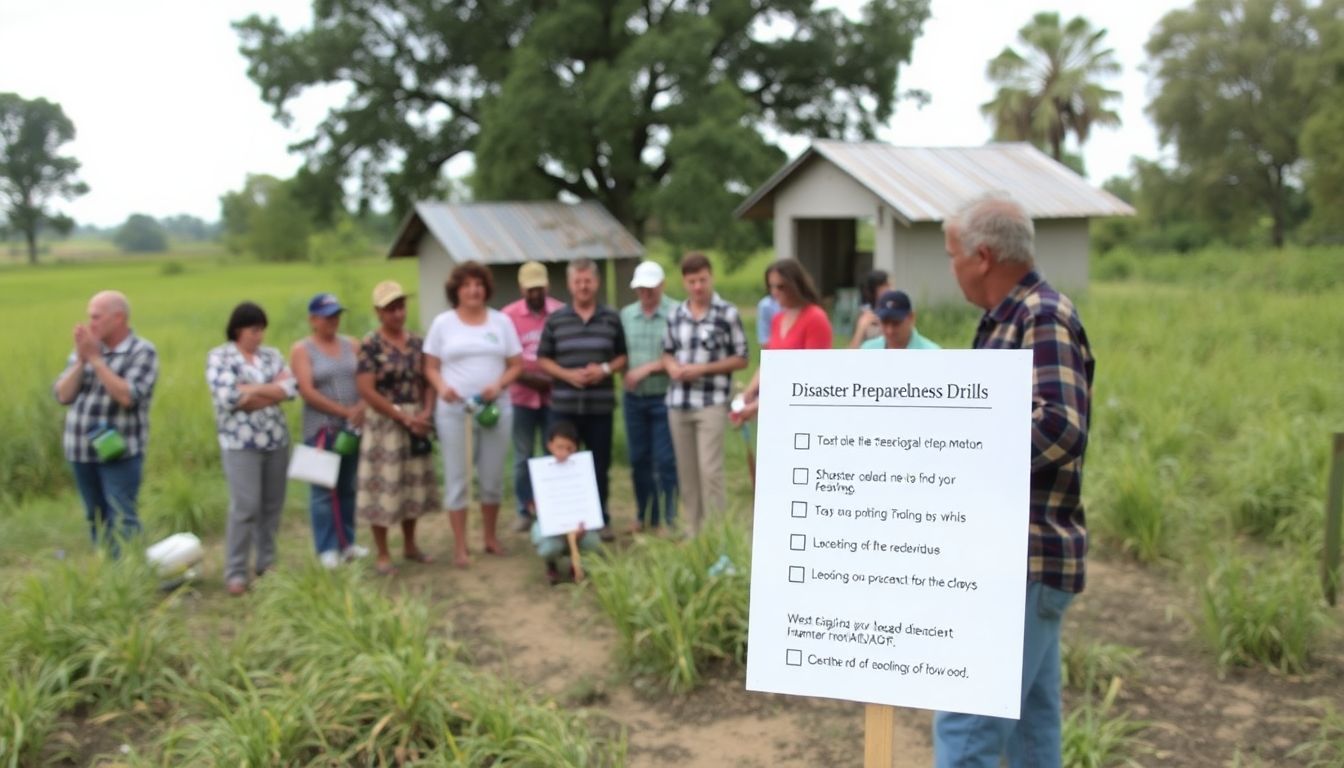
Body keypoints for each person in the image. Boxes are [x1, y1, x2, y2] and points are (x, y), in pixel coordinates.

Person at [934, 193, 1094, 768]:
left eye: (952, 255)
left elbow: (1060, 425)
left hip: (1020, 560)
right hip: (1018, 559)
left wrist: (958, 451)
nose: (949, 267)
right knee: (1030, 730)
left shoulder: (1040, 316)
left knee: (967, 730)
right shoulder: (1005, 320)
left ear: (981, 256)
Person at [424, 262, 524, 567]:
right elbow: (430, 366)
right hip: (454, 412)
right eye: (466, 285)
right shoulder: (443, 323)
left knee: (492, 477)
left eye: (478, 284)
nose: (473, 290)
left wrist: (499, 384)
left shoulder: (501, 322)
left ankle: (490, 538)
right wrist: (442, 387)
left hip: (495, 410)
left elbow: (516, 365)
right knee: (457, 478)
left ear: (486, 289)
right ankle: (460, 545)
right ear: (456, 290)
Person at [53, 290, 159, 555]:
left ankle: (130, 577)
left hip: (119, 452)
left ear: (119, 318)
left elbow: (127, 396)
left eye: (97, 317)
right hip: (80, 449)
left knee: (123, 516)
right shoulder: (85, 351)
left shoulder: (142, 351)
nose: (91, 324)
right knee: (95, 517)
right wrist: (81, 360)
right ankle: (109, 574)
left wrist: (97, 361)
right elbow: (63, 395)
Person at [205, 302, 297, 596]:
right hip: (239, 443)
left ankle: (266, 563)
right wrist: (271, 390)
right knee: (245, 506)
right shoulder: (220, 357)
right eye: (253, 330)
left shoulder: (271, 356)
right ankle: (235, 571)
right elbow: (229, 398)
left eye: (261, 330)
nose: (259, 336)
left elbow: (291, 389)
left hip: (275, 439)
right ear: (238, 329)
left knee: (272, 505)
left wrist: (252, 389)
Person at [537, 258, 628, 541]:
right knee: (564, 462)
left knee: (599, 464)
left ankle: (599, 519)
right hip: (564, 407)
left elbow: (622, 357)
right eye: (578, 281)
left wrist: (603, 370)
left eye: (588, 280)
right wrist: (566, 374)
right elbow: (543, 359)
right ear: (570, 284)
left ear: (596, 283)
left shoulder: (612, 318)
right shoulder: (556, 319)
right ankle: (562, 520)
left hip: (599, 405)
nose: (583, 286)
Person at [662, 252, 749, 536]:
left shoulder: (728, 313)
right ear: (684, 282)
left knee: (710, 471)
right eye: (692, 281)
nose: (698, 287)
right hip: (679, 402)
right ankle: (694, 531)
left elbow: (742, 358)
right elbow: (666, 353)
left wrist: (703, 369)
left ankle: (717, 534)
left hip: (711, 400)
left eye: (702, 280)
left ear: (711, 277)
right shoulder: (675, 313)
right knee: (687, 473)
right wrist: (672, 367)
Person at [354, 281, 438, 576]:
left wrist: (426, 412)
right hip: (385, 421)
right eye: (391, 309)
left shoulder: (417, 342)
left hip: (415, 418)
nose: (398, 313)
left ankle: (411, 544)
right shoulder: (370, 344)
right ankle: (383, 552)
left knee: (412, 484)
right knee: (383, 485)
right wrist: (402, 416)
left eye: (401, 306)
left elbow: (427, 380)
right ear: (379, 312)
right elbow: (367, 389)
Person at [291, 292, 368, 569]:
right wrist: (342, 411)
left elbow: (365, 378)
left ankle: (347, 543)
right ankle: (326, 548)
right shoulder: (302, 349)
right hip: (321, 428)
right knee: (323, 489)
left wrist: (360, 406)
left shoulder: (351, 345)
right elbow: (307, 391)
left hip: (352, 427)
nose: (332, 321)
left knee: (348, 486)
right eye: (327, 316)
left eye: (336, 315)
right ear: (313, 319)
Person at [501, 261, 565, 533]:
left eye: (539, 288)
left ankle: (553, 507)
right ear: (521, 288)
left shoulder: (561, 312)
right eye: (530, 289)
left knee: (555, 453)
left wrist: (553, 378)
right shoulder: (508, 316)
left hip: (555, 396)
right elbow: (506, 360)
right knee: (523, 457)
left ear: (547, 286)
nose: (535, 294)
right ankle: (524, 509)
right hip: (521, 398)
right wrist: (535, 379)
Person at [732, 259, 833, 425]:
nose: (774, 292)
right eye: (771, 287)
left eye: (781, 287)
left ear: (796, 285)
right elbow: (770, 361)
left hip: (803, 406)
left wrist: (762, 403)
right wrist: (749, 392)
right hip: (777, 403)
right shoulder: (778, 319)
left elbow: (813, 371)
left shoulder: (815, 317)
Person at [619, 260, 679, 534]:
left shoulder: (676, 312)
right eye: (641, 288)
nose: (646, 293)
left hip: (664, 396)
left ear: (661, 286)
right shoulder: (626, 315)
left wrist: (648, 368)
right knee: (638, 459)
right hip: (634, 399)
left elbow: (679, 355)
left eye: (651, 288)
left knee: (665, 460)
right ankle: (644, 513)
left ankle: (668, 517)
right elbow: (620, 352)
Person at [528, 420, 602, 585]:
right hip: (552, 530)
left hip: (579, 527)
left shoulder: (583, 470)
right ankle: (551, 565)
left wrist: (587, 522)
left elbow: (588, 502)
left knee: (594, 543)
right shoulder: (541, 471)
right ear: (550, 445)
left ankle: (577, 564)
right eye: (559, 447)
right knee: (548, 547)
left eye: (569, 448)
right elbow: (532, 507)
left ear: (576, 448)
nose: (563, 453)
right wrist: (538, 508)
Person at [859, 290, 941, 350]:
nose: (889, 330)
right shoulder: (868, 349)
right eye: (885, 322)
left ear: (911, 318)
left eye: (896, 323)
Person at [847, 269, 890, 348]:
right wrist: (862, 327)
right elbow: (852, 349)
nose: (890, 289)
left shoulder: (894, 312)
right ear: (876, 289)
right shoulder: (864, 315)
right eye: (886, 285)